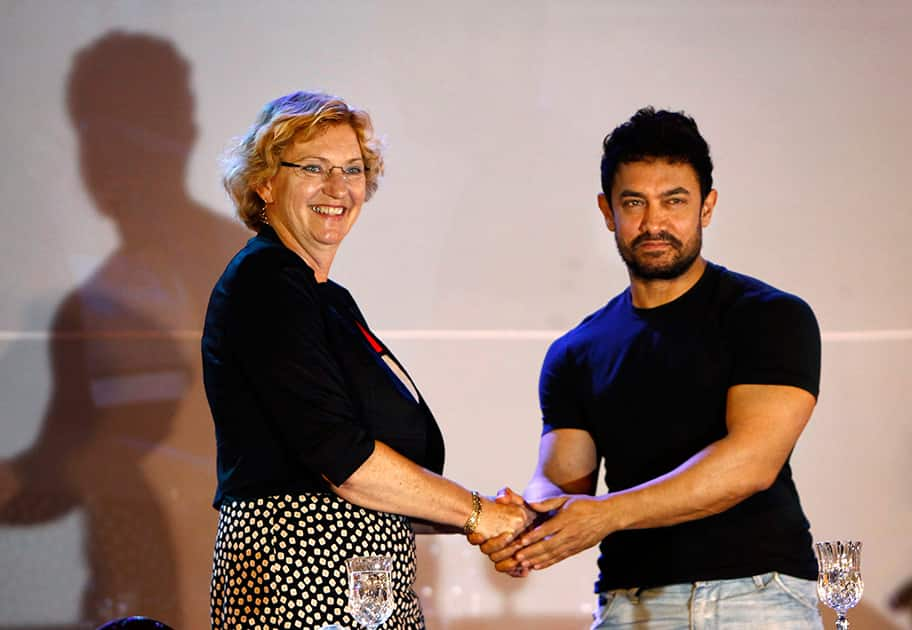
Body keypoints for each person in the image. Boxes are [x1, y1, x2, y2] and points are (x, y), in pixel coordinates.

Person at [474, 107, 823, 628]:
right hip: (629, 603)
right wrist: (527, 524)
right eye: (633, 202)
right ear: (607, 211)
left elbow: (751, 465)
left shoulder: (768, 315)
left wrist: (606, 515)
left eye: (674, 201)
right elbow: (562, 482)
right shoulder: (576, 350)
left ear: (707, 207)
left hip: (754, 596)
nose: (654, 222)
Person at [202, 91, 533, 629]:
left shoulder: (325, 297)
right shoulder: (265, 283)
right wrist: (479, 514)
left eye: (352, 170)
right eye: (314, 168)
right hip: (299, 582)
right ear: (265, 182)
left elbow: (373, 475)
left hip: (360, 582)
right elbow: (344, 460)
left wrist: (489, 519)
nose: (338, 188)